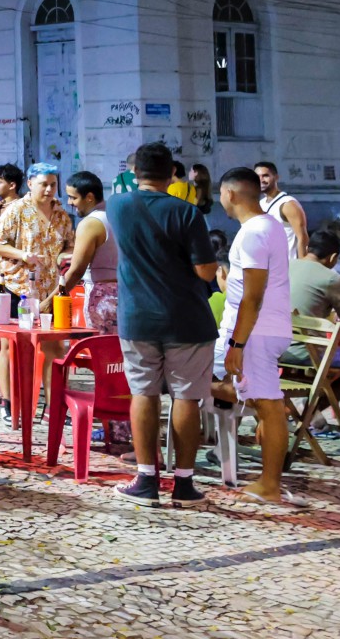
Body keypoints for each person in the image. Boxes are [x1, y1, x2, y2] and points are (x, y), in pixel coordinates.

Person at [104, 140, 217, 505]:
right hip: (187, 318)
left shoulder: (118, 206)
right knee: (187, 397)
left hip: (137, 316)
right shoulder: (188, 213)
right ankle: (184, 484)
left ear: (135, 173)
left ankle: (146, 478)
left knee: (144, 393)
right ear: (172, 174)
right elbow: (204, 270)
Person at [213, 166, 296, 507]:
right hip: (262, 328)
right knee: (262, 401)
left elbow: (253, 295)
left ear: (230, 193)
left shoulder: (253, 233)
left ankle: (270, 485)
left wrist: (238, 343)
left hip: (256, 332)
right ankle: (267, 475)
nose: (220, 200)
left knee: (269, 406)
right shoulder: (270, 226)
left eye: (221, 194)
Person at [281, 230, 340, 405]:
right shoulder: (331, 279)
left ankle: (302, 415)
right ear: (333, 257)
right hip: (306, 352)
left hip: (273, 349)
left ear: (308, 248)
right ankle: (312, 412)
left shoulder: (283, 266)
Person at [0, 162, 72, 308]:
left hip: (47, 293)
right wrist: (23, 255)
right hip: (14, 288)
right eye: (43, 184)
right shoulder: (16, 210)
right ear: (30, 184)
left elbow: (70, 245)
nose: (49, 189)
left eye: (53, 184)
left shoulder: (61, 214)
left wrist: (63, 256)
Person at [56, 171, 118, 334]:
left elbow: (76, 271)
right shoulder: (116, 215)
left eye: (73, 197)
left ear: (89, 197)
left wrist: (50, 302)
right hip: (125, 294)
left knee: (102, 354)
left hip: (103, 299)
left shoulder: (90, 223)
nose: (69, 202)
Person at [255, 161, 307, 259]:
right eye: (257, 177)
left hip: (288, 267)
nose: (261, 180)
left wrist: (302, 266)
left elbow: (302, 238)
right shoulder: (261, 203)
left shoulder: (288, 204)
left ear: (276, 177)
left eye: (265, 176)